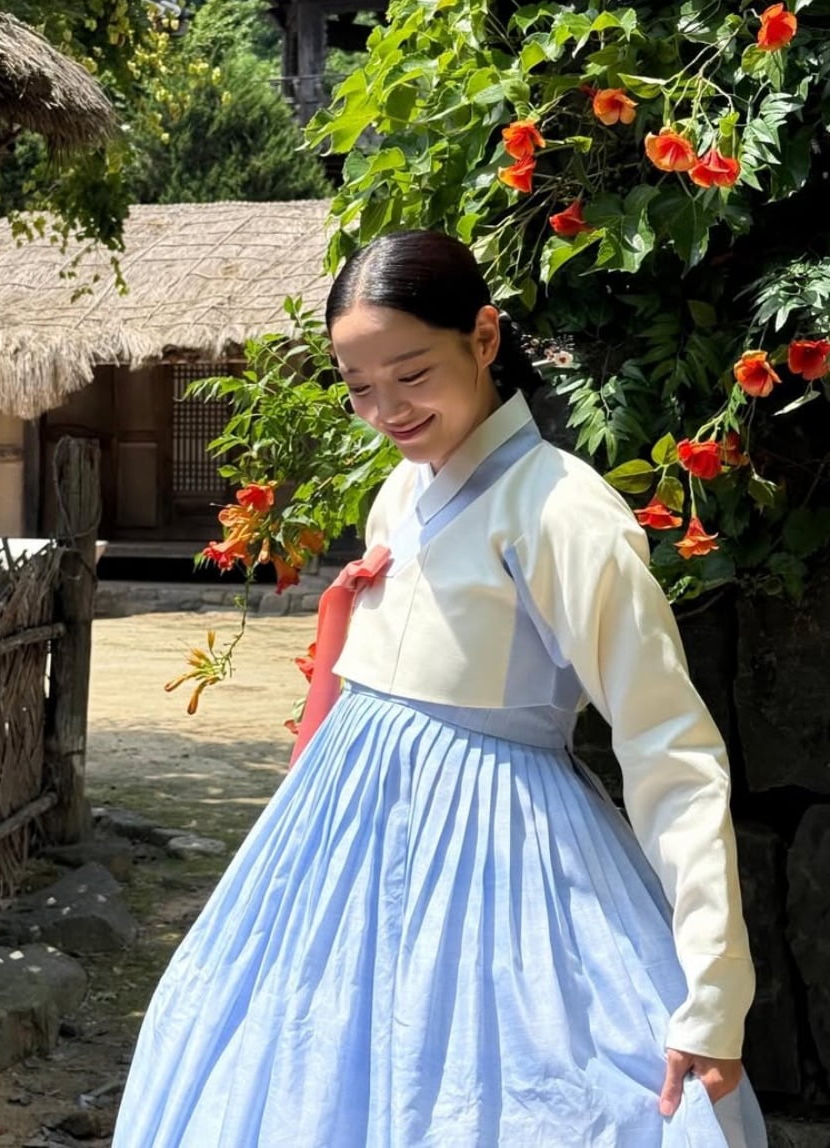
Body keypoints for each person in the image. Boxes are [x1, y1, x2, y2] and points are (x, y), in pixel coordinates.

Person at [113, 230, 767, 1148]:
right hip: (335, 851)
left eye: (411, 373)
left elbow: (670, 748)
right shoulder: (398, 494)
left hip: (498, 860)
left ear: (486, 339)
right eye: (359, 386)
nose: (386, 409)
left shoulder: (563, 513)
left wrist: (712, 991)